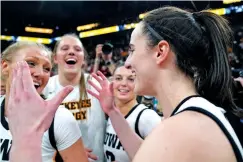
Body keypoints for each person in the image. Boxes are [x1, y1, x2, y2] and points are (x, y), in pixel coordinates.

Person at [87, 6, 243, 162]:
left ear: (160, 52)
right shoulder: (193, 116)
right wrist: (113, 112)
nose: (127, 63)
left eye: (132, 50)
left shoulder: (176, 130)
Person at [0, 42, 88, 162]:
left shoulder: (60, 118)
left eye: (47, 69)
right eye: (31, 63)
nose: (40, 73)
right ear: (5, 66)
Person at [42, 34, 106, 162]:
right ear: (55, 58)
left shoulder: (98, 84)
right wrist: (69, 150)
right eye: (65, 48)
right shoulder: (44, 88)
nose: (71, 52)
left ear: (83, 59)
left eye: (77, 49)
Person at [103, 64, 161, 162]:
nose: (124, 83)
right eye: (118, 78)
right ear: (111, 83)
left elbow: (164, 158)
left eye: (131, 79)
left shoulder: (147, 117)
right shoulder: (110, 116)